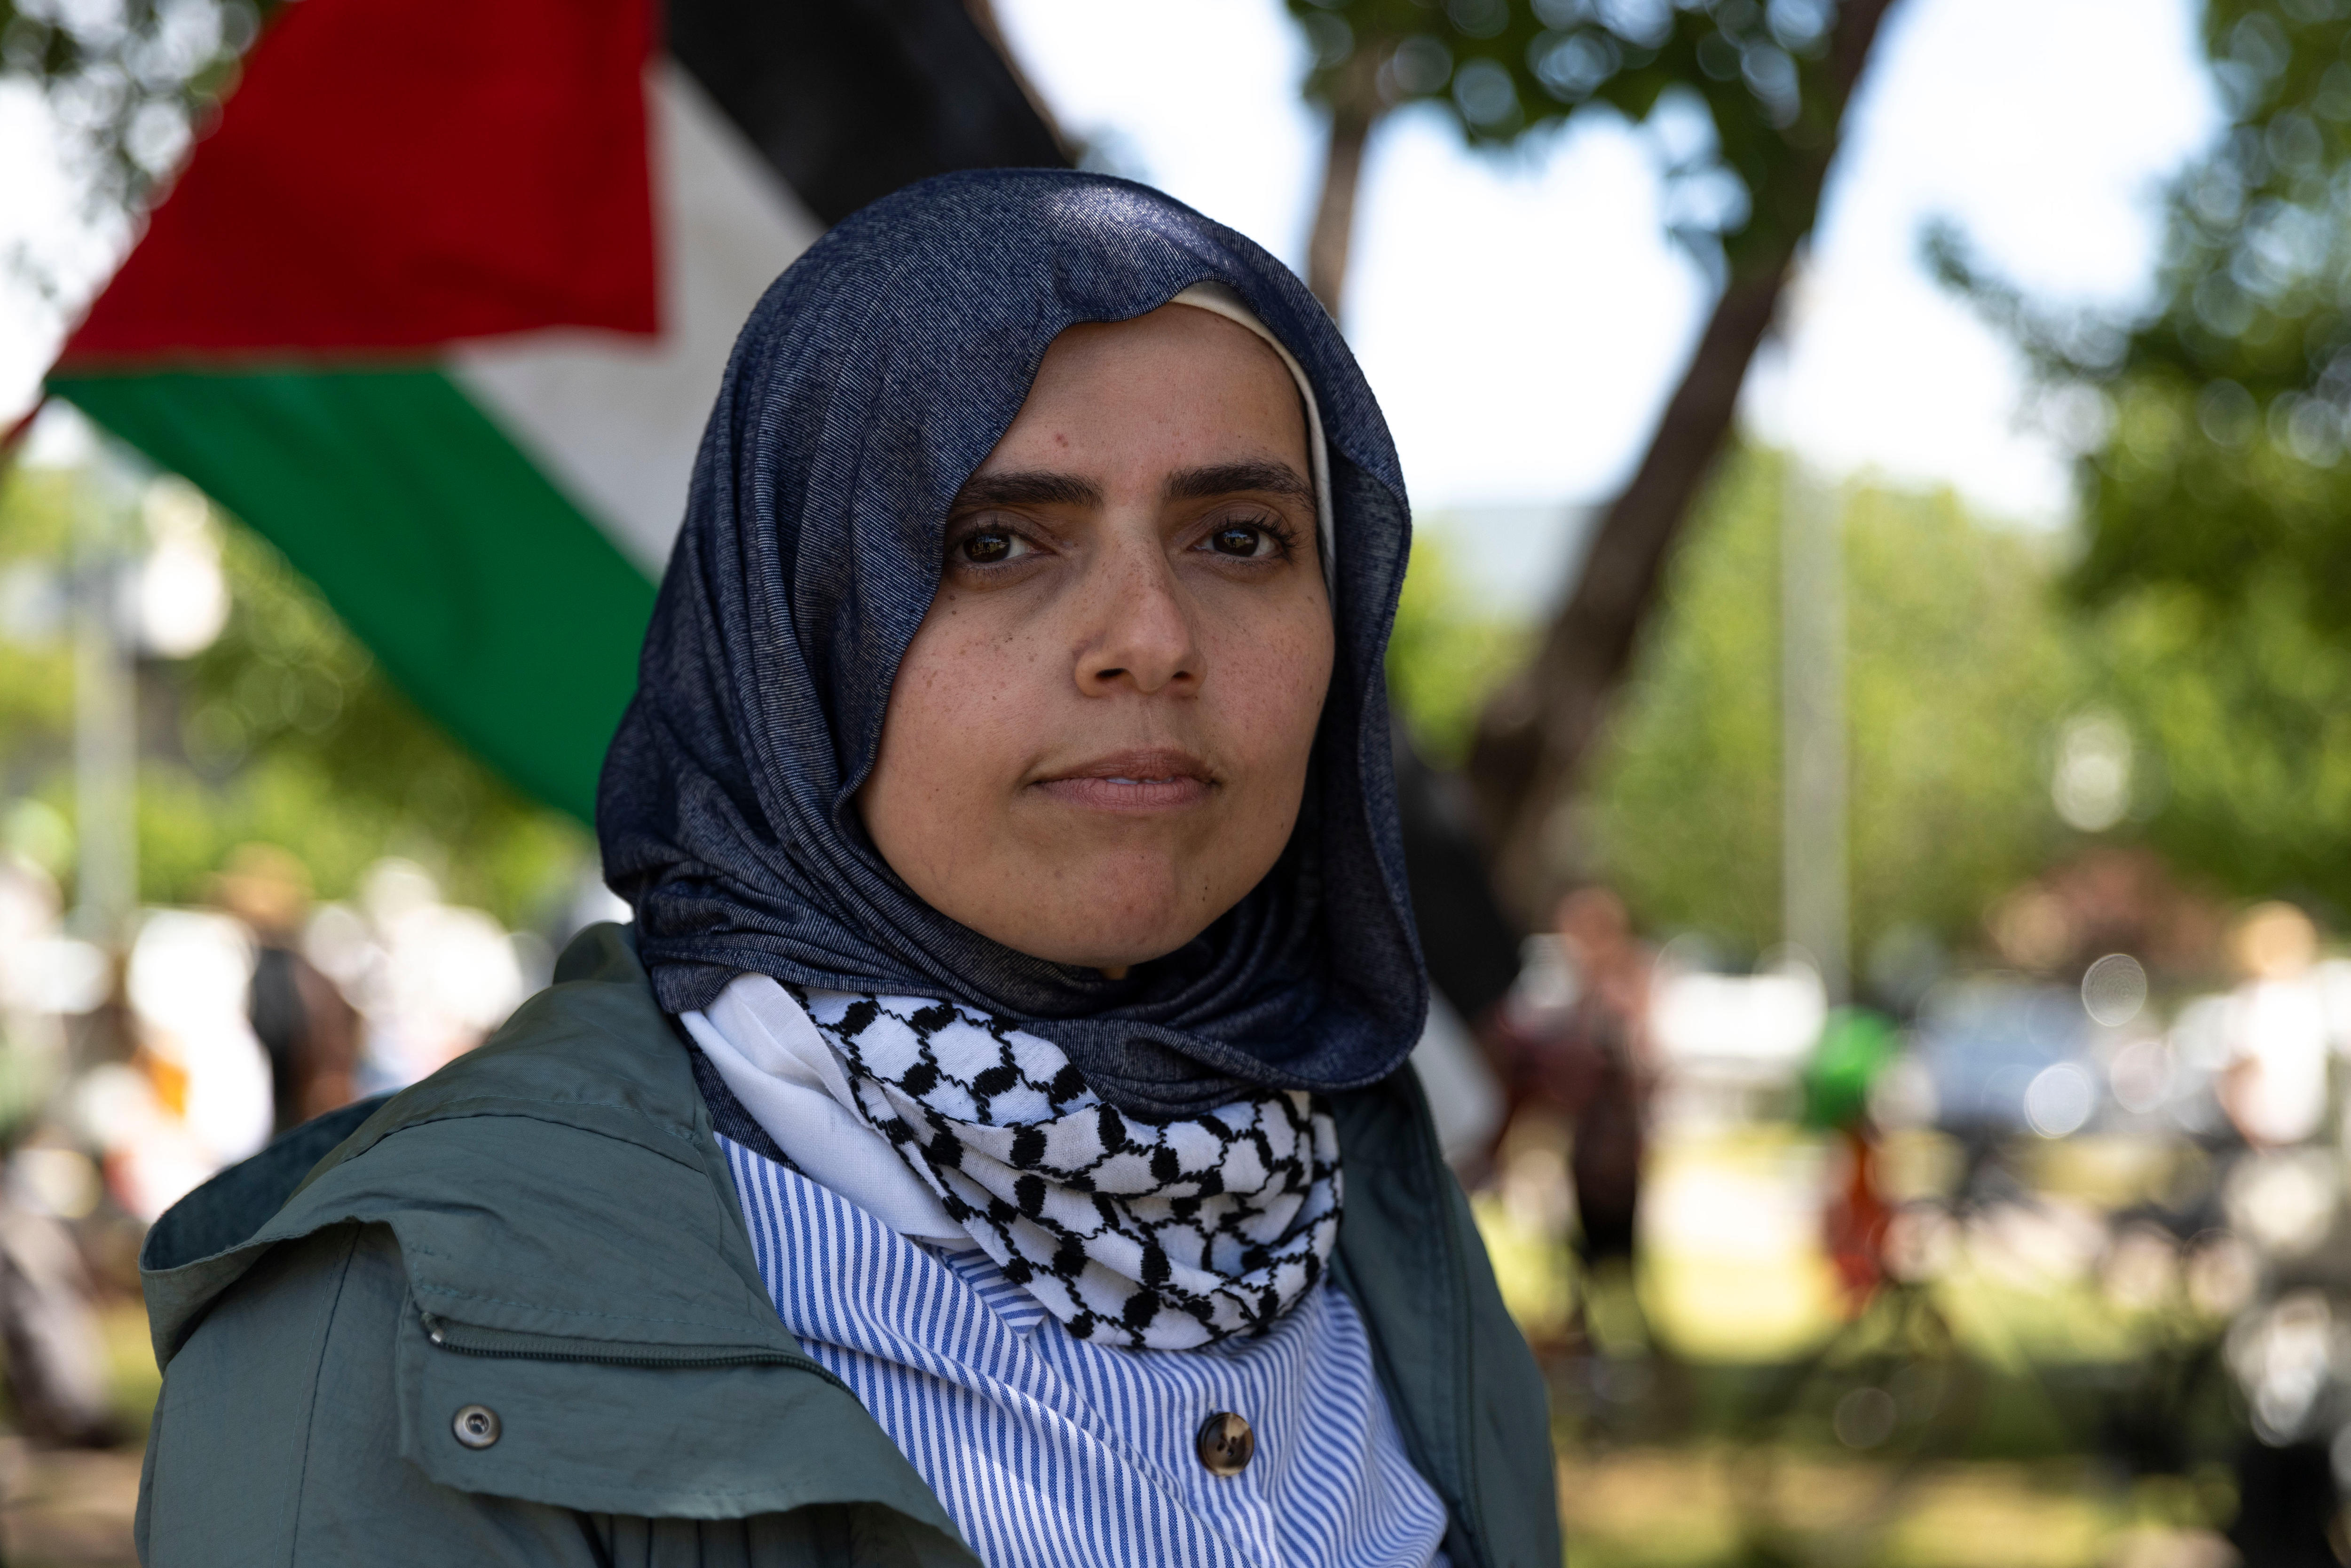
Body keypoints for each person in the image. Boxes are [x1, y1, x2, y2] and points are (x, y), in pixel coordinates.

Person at [135, 173, 1557, 1567]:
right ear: (794, 629)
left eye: (1240, 539)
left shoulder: (1377, 1213)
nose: (1152, 637)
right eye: (994, 541)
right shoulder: (398, 1324)